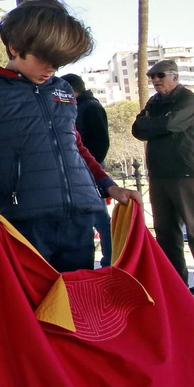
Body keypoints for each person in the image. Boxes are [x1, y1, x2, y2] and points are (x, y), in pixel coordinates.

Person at [0, 0, 140, 274]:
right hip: (21, 224)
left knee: (75, 299)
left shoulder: (63, 90)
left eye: (58, 61)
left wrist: (109, 186)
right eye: (44, 59)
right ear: (15, 48)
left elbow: (75, 147)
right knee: (28, 301)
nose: (52, 69)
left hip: (77, 221)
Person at [132, 58, 194, 295]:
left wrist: (152, 124)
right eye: (152, 77)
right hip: (158, 173)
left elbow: (172, 123)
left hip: (184, 172)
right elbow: (138, 129)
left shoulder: (188, 99)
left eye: (160, 76)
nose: (155, 80)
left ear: (175, 77)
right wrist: (155, 124)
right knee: (165, 230)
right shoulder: (154, 101)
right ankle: (174, 280)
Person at [62, 72, 114, 268]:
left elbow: (101, 142)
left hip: (90, 169)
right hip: (80, 168)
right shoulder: (75, 107)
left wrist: (92, 169)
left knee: (100, 218)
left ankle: (110, 261)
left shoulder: (90, 107)